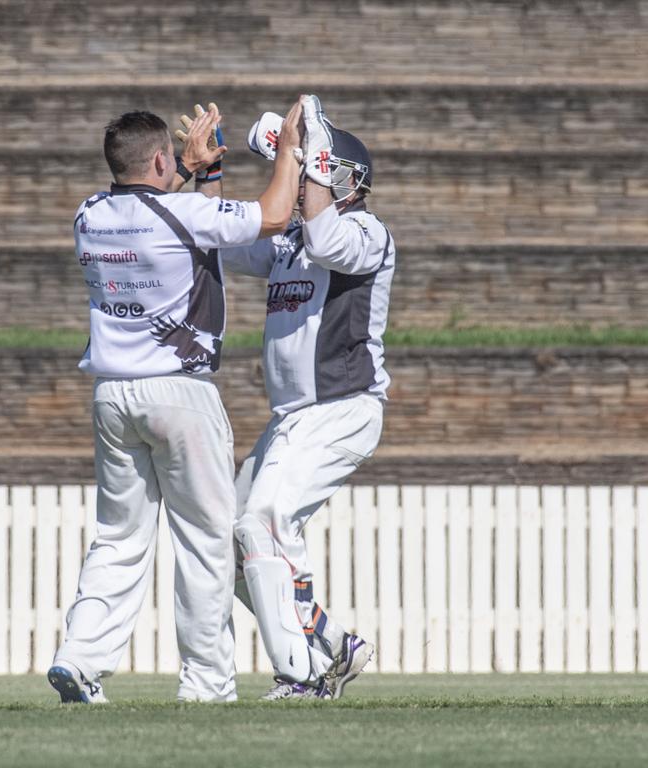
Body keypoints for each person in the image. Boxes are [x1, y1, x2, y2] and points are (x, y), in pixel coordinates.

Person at [48, 98, 304, 703]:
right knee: (204, 538)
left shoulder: (88, 214)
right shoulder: (185, 212)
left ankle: (79, 660)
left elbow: (151, 207)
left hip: (112, 396)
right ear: (161, 158)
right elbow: (272, 216)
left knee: (118, 537)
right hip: (181, 393)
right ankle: (207, 683)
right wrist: (290, 150)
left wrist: (187, 166)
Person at [220, 95, 394, 699]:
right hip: (293, 418)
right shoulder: (289, 240)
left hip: (342, 409)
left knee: (264, 523)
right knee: (228, 543)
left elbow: (326, 239)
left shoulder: (368, 233)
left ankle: (301, 677)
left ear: (344, 177)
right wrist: (213, 175)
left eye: (317, 172)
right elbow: (227, 242)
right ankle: (331, 640)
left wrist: (310, 141)